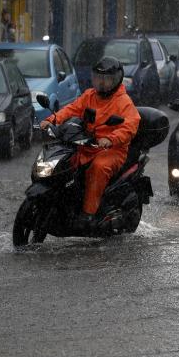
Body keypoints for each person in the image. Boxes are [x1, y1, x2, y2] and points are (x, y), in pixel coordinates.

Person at [40, 56, 141, 230]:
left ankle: (88, 214)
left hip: (112, 150)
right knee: (64, 163)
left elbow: (130, 125)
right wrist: (52, 120)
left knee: (98, 168)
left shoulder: (123, 102)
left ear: (116, 80)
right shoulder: (89, 95)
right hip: (87, 144)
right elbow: (72, 109)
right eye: (98, 78)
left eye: (106, 79)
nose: (102, 83)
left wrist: (110, 139)